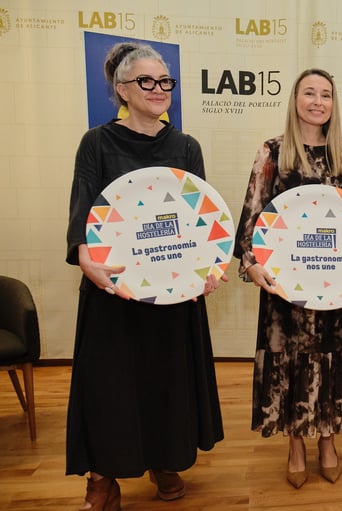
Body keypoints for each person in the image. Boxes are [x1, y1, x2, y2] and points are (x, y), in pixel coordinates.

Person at [65, 42, 224, 510]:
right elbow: (82, 209)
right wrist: (84, 256)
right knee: (108, 386)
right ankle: (102, 478)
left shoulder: (185, 147)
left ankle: (164, 459)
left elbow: (201, 218)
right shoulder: (96, 143)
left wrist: (210, 265)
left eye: (164, 81)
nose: (158, 89)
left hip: (172, 292)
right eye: (146, 81)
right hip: (113, 288)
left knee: (166, 382)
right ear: (122, 89)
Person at [233, 68, 342, 489]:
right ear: (295, 100)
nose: (317, 102)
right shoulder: (273, 152)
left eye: (326, 94)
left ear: (334, 104)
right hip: (285, 289)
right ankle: (295, 445)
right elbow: (251, 219)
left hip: (336, 286)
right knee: (290, 362)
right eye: (309, 93)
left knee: (332, 358)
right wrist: (251, 264)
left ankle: (328, 441)